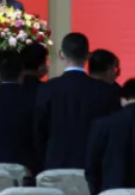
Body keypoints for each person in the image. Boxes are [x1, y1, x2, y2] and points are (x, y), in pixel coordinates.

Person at [35, 33, 121, 170]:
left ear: (61, 54)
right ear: (87, 55)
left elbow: (39, 131)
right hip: (92, 167)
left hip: (55, 165)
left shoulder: (46, 89)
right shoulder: (105, 91)